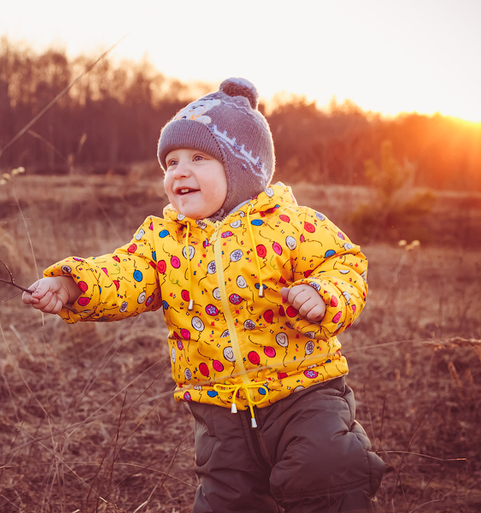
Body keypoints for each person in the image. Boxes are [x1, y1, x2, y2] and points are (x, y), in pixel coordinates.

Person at [22, 78, 385, 513]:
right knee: (228, 502)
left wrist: (322, 294)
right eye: (171, 162)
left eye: (198, 158)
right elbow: (123, 273)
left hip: (304, 392)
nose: (179, 171)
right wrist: (71, 285)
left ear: (243, 168)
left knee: (327, 471)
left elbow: (344, 264)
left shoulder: (292, 224)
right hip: (218, 411)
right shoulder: (163, 240)